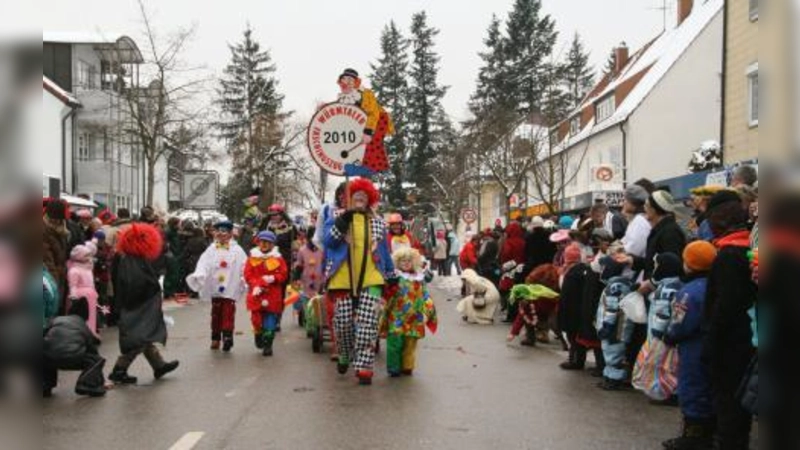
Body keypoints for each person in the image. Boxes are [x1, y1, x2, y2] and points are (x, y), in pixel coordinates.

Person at [322, 177, 395, 385]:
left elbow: (384, 252)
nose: (360, 197)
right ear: (349, 198)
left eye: (364, 195)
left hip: (371, 278)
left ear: (369, 199)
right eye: (356, 194)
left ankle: (364, 367)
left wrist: (391, 276)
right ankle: (345, 353)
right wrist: (344, 219)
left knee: (367, 325)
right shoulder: (337, 217)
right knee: (343, 324)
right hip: (342, 278)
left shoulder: (378, 223)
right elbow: (328, 242)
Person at [704, 191, 756, 449]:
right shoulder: (751, 246)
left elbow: (725, 305)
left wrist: (711, 340)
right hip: (748, 336)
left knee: (729, 402)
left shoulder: (728, 255)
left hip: (731, 342)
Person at [661, 241, 718, 450]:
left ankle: (693, 436)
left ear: (689, 264)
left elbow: (680, 323)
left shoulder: (689, 292)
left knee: (693, 387)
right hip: (714, 344)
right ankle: (711, 432)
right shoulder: (717, 285)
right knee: (710, 388)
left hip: (693, 347)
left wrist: (669, 336)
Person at [109, 223, 179, 385]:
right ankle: (119, 370)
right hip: (137, 305)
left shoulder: (130, 258)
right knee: (138, 338)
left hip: (135, 304)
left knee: (143, 335)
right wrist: (152, 288)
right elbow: (135, 284)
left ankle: (158, 365)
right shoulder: (131, 260)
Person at [186, 221, 248, 352]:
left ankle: (227, 337)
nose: (221, 234)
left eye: (224, 231)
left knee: (228, 312)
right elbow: (204, 263)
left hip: (230, 286)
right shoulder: (211, 249)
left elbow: (244, 265)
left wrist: (244, 277)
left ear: (230, 234)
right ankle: (215, 337)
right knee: (216, 313)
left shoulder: (237, 250)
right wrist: (200, 274)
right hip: (215, 286)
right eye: (218, 231)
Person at [382, 248, 438, 377]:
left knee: (410, 343)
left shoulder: (419, 278)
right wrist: (388, 288)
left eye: (409, 260)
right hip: (396, 316)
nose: (406, 263)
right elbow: (386, 293)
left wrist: (427, 311)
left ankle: (407, 366)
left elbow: (425, 295)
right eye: (403, 261)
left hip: (414, 318)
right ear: (397, 262)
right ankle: (394, 367)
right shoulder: (395, 277)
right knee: (394, 342)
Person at [43, 298, 107, 398]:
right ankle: (86, 384)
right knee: (96, 360)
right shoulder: (83, 325)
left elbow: (42, 334)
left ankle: (45, 387)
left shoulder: (57, 319)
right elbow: (92, 350)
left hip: (48, 357)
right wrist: (101, 381)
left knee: (45, 354)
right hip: (71, 358)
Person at [336, 68, 394, 175]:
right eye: (343, 79)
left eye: (349, 80)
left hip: (378, 120)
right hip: (362, 124)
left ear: (356, 82)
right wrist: (323, 108)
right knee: (362, 145)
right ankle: (367, 167)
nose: (346, 82)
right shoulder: (343, 98)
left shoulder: (366, 94)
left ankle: (373, 169)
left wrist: (368, 131)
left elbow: (373, 112)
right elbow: (337, 112)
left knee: (372, 144)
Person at [244, 231, 289, 357]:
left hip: (272, 294)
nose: (264, 244)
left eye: (267, 242)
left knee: (270, 320)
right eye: (262, 241)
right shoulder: (252, 258)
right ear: (258, 243)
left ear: (272, 244)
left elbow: (284, 274)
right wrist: (256, 284)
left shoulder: (278, 259)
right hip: (256, 294)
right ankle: (258, 334)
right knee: (256, 319)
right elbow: (247, 275)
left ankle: (268, 345)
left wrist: (273, 278)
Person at [67, 240, 100, 338]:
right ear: (79, 256)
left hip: (90, 297)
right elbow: (73, 285)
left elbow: (91, 283)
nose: (89, 258)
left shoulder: (87, 268)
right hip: (81, 298)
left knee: (91, 316)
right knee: (82, 316)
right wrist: (73, 296)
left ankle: (91, 333)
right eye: (86, 256)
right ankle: (82, 335)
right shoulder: (74, 270)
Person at [294, 226, 324, 326]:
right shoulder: (302, 250)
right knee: (306, 301)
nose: (314, 240)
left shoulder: (323, 250)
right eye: (311, 237)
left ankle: (317, 321)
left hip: (320, 281)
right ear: (308, 238)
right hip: (306, 281)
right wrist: (296, 278)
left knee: (318, 301)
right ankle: (308, 320)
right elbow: (299, 266)